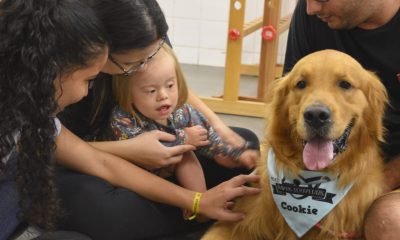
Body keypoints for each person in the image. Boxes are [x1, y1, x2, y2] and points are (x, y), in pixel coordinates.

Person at [0, 0, 261, 240]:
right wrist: (133, 151)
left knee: (244, 142)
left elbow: (103, 162)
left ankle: (198, 209)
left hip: (136, 155)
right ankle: (199, 214)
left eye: (153, 54)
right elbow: (87, 158)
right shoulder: (42, 103)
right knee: (101, 209)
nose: (145, 67)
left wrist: (218, 136)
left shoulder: (39, 106)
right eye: (134, 63)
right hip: (82, 169)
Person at [283, 0, 400, 238]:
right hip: (342, 166)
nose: (311, 9)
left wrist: (376, 187)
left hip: (387, 172)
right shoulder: (312, 16)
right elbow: (291, 104)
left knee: (388, 219)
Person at [106, 43, 259, 220]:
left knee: (188, 153)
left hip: (166, 170)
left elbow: (207, 135)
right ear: (128, 93)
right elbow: (143, 150)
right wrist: (184, 137)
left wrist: (234, 152)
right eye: (151, 91)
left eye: (170, 86)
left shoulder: (181, 111)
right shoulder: (122, 117)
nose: (163, 95)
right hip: (133, 175)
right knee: (184, 146)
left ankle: (200, 202)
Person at [0, 0, 108, 239]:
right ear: (51, 71)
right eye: (87, 80)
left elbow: (99, 162)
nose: (86, 93)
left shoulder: (29, 110)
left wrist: (195, 201)